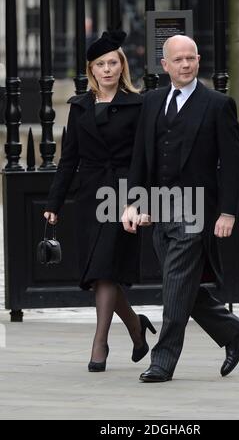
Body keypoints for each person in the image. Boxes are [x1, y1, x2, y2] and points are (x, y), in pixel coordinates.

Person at [122, 35, 239, 383]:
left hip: (197, 211)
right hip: (160, 209)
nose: (186, 65)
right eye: (178, 60)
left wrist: (227, 212)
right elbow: (140, 159)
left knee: (175, 286)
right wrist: (133, 202)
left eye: (191, 58)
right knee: (181, 286)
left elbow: (232, 162)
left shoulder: (217, 104)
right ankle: (232, 330)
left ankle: (163, 361)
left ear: (198, 61)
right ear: (164, 66)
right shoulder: (151, 102)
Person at [44, 30, 156, 372]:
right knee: (99, 272)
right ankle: (136, 328)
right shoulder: (79, 106)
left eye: (113, 63)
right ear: (91, 70)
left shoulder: (139, 104)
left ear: (121, 66)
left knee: (105, 268)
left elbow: (146, 157)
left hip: (123, 195)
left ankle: (100, 343)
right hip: (90, 195)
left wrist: (141, 200)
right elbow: (69, 159)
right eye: (100, 64)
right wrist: (54, 203)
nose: (107, 69)